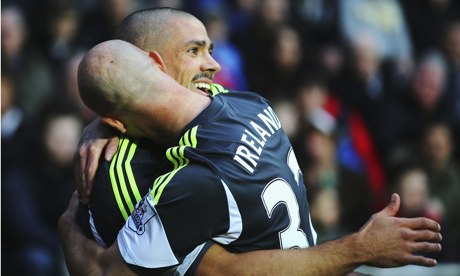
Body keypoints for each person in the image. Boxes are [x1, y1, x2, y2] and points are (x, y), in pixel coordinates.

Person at [59, 39, 442, 275]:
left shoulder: (190, 185)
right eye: (195, 51)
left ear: (114, 120)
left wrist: (66, 224)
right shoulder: (251, 103)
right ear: (158, 64)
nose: (211, 63)